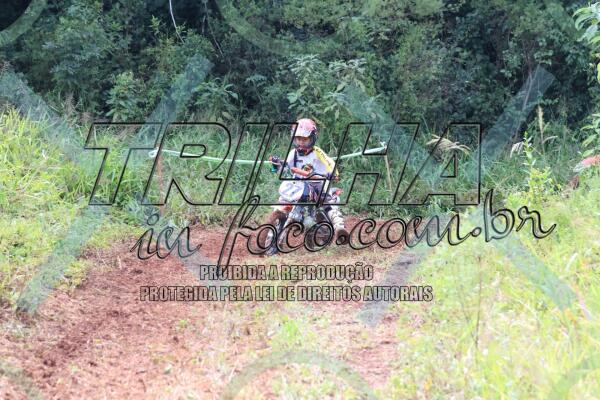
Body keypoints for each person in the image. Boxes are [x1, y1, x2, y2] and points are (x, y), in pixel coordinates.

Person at [261, 118, 349, 249]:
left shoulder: (317, 152)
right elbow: (286, 167)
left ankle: (339, 227)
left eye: (305, 139)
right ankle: (275, 230)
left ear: (312, 138)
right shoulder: (293, 153)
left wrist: (334, 173)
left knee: (325, 200)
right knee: (283, 199)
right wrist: (277, 164)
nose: (301, 142)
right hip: (299, 185)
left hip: (318, 182)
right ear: (294, 139)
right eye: (298, 139)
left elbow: (330, 163)